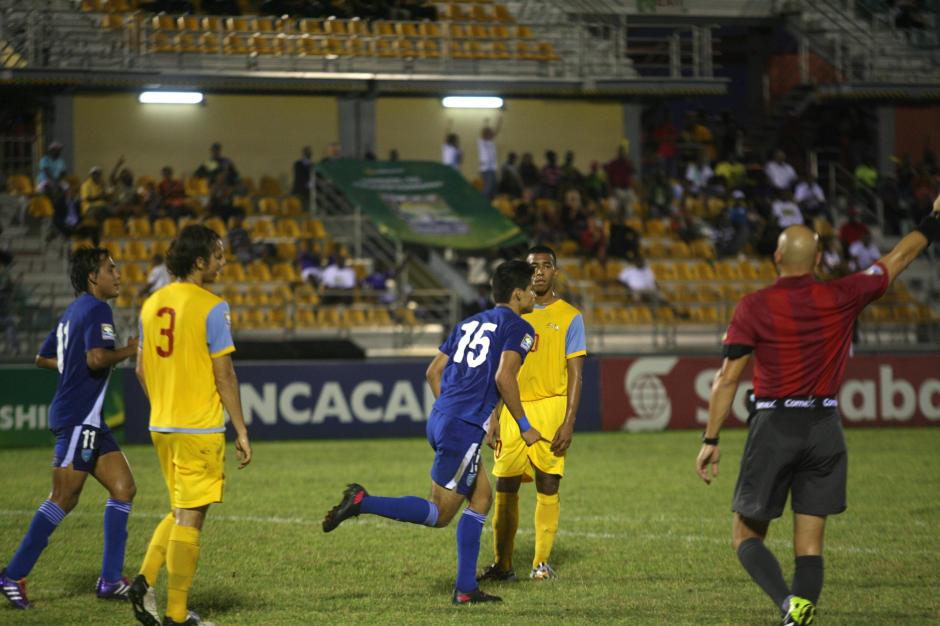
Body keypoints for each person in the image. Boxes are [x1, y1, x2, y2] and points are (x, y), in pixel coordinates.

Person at [695, 196, 940, 626]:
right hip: (826, 428)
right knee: (810, 546)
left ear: (776, 256)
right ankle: (800, 612)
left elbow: (727, 379)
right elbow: (900, 257)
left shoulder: (753, 306)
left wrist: (711, 439)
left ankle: (788, 606)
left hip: (775, 426)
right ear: (821, 258)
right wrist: (935, 219)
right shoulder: (843, 293)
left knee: (745, 536)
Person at [322, 260, 541, 605]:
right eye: (530, 288)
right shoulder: (519, 327)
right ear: (517, 294)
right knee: (439, 514)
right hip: (461, 427)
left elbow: (432, 372)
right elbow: (504, 378)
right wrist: (524, 426)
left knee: (482, 496)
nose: (534, 293)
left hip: (442, 418)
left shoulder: (468, 322)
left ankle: (466, 587)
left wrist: (458, 413)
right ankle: (364, 502)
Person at [0, 248, 139, 609]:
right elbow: (96, 358)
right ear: (94, 276)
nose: (118, 273)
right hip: (79, 418)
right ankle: (12, 575)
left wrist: (75, 366)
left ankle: (110, 580)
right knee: (63, 497)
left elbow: (43, 357)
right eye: (112, 268)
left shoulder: (71, 312)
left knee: (123, 487)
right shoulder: (97, 309)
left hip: (90, 420)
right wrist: (129, 351)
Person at [129, 224, 252, 626]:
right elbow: (225, 376)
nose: (223, 261)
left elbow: (141, 369)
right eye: (218, 255)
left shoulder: (150, 304)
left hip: (161, 425)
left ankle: (143, 582)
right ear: (199, 261)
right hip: (198, 427)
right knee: (192, 517)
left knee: (181, 508)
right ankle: (177, 615)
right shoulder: (212, 307)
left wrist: (163, 404)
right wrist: (241, 429)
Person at [479, 246, 586, 583]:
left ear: (555, 271)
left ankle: (541, 563)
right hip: (513, 408)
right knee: (505, 484)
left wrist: (568, 420)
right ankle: (503, 564)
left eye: (546, 266)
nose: (539, 272)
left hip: (550, 408)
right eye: (533, 267)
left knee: (548, 482)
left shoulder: (570, 316)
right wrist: (492, 415)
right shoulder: (512, 314)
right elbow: (498, 372)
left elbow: (576, 374)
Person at [292, 146, 314, 212]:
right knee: (298, 210)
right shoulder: (298, 164)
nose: (308, 154)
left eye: (309, 153)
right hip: (299, 191)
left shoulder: (312, 165)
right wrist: (307, 183)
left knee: (307, 210)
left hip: (309, 193)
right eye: (306, 153)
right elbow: (299, 177)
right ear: (303, 154)